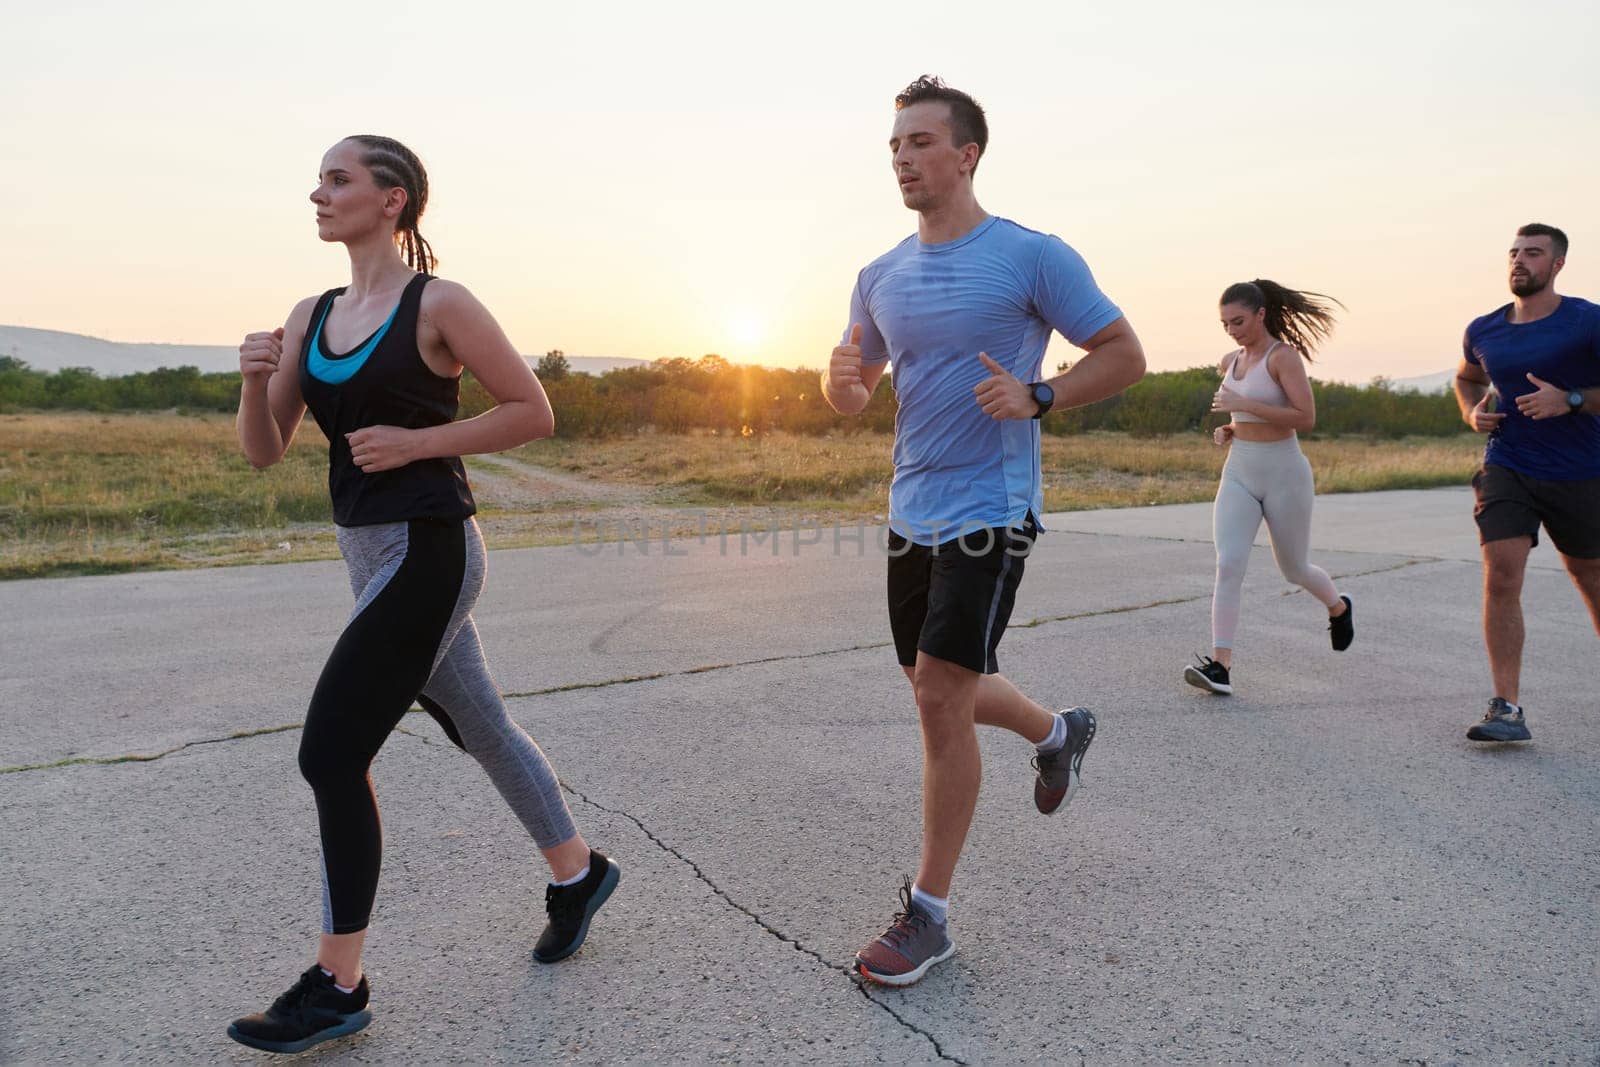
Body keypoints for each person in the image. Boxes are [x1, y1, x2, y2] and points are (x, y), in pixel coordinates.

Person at [227, 135, 618, 1054]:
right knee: (479, 722)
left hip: (432, 549)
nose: (317, 193)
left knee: (331, 754)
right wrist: (251, 384)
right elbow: (264, 448)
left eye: (337, 179)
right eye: (319, 179)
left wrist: (417, 443)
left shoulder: (439, 302)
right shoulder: (312, 311)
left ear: (392, 200)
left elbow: (533, 409)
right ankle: (578, 870)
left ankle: (337, 985)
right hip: (367, 554)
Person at [822, 76, 1146, 987]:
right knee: (941, 687)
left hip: (992, 509)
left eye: (921, 143)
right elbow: (853, 391)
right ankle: (1056, 731)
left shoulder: (1031, 256)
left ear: (966, 154)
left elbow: (1125, 354)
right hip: (911, 509)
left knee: (937, 695)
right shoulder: (879, 273)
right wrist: (839, 378)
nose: (903, 159)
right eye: (894, 146)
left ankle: (928, 913)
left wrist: (1041, 394)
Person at [1453, 223, 1600, 742]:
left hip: (1582, 471)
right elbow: (1467, 376)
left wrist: (1572, 399)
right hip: (1508, 463)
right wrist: (1473, 413)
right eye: (1514, 253)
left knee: (1590, 577)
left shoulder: (1588, 321)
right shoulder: (1485, 328)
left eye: (1532, 254)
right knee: (1502, 573)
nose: (1519, 261)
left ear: (1557, 264)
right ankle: (1506, 708)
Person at [1183, 281, 1354, 696]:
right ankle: (1221, 665)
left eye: (1238, 321)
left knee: (1294, 569)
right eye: (1225, 324)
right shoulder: (1231, 360)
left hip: (1285, 474)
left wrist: (1242, 406)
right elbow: (1243, 415)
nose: (1232, 331)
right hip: (1240, 470)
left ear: (1260, 314)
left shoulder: (1283, 358)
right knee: (1229, 563)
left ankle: (1339, 606)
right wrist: (1229, 428)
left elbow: (1305, 417)